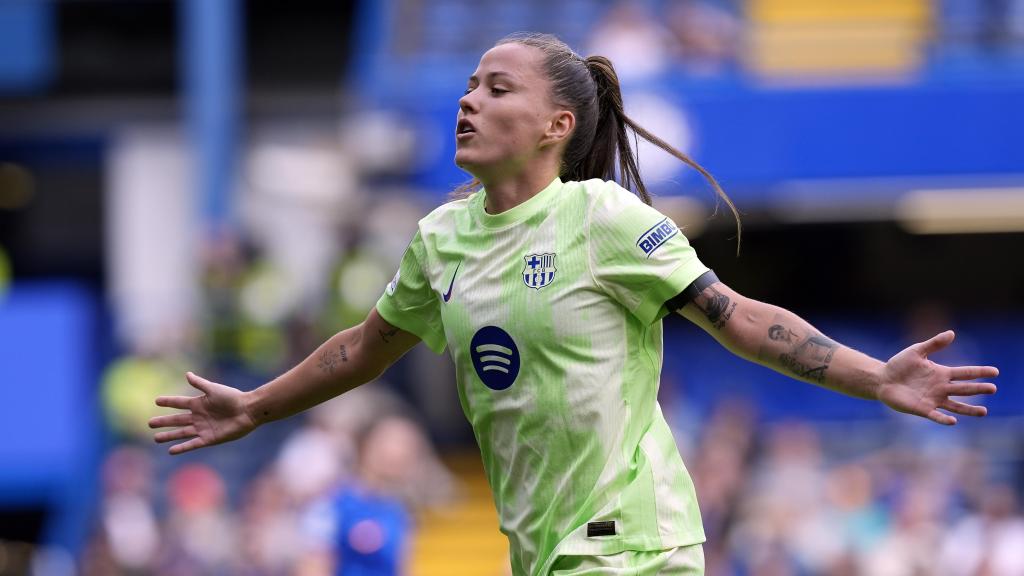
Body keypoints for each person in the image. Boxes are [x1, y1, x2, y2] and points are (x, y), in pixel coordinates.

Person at [150, 32, 999, 576]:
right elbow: (366, 347)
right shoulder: (439, 239)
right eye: (470, 85)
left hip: (634, 543)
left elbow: (737, 316)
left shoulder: (605, 220)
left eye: (496, 88)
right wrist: (256, 405)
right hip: (542, 552)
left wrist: (873, 378)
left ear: (557, 124)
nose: (468, 99)